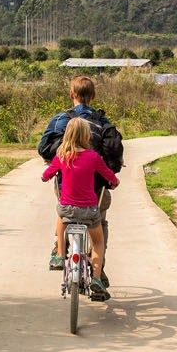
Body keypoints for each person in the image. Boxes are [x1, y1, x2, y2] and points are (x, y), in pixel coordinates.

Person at [37, 75, 123, 274]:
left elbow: (43, 148)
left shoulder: (60, 119)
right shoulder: (103, 121)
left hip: (65, 185)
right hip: (97, 189)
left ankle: (60, 250)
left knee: (63, 208)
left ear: (71, 94)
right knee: (100, 224)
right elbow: (114, 155)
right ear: (93, 96)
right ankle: (97, 271)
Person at [42, 116, 117, 299]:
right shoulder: (93, 157)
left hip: (68, 209)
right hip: (89, 211)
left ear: (67, 134)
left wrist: (46, 176)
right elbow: (109, 176)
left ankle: (60, 254)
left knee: (61, 215)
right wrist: (114, 182)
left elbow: (46, 175)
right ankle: (97, 279)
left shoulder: (62, 155)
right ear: (87, 136)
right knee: (98, 241)